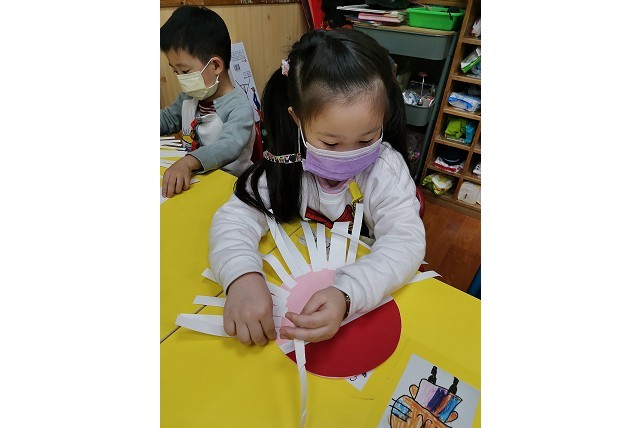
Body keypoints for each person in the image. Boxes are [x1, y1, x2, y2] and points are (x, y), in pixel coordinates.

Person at [209, 29, 425, 346]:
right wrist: (241, 275)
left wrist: (349, 293)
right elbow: (236, 217)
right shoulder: (286, 162)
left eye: (367, 139)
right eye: (331, 143)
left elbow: (405, 241)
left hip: (365, 297)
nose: (349, 154)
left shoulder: (385, 170)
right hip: (295, 285)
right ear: (297, 119)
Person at [160, 5, 255, 198]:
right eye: (175, 71)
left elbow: (229, 145)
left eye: (185, 71)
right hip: (197, 182)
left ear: (216, 65)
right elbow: (168, 118)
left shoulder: (239, 107)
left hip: (232, 187)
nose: (180, 78)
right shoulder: (189, 97)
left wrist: (188, 162)